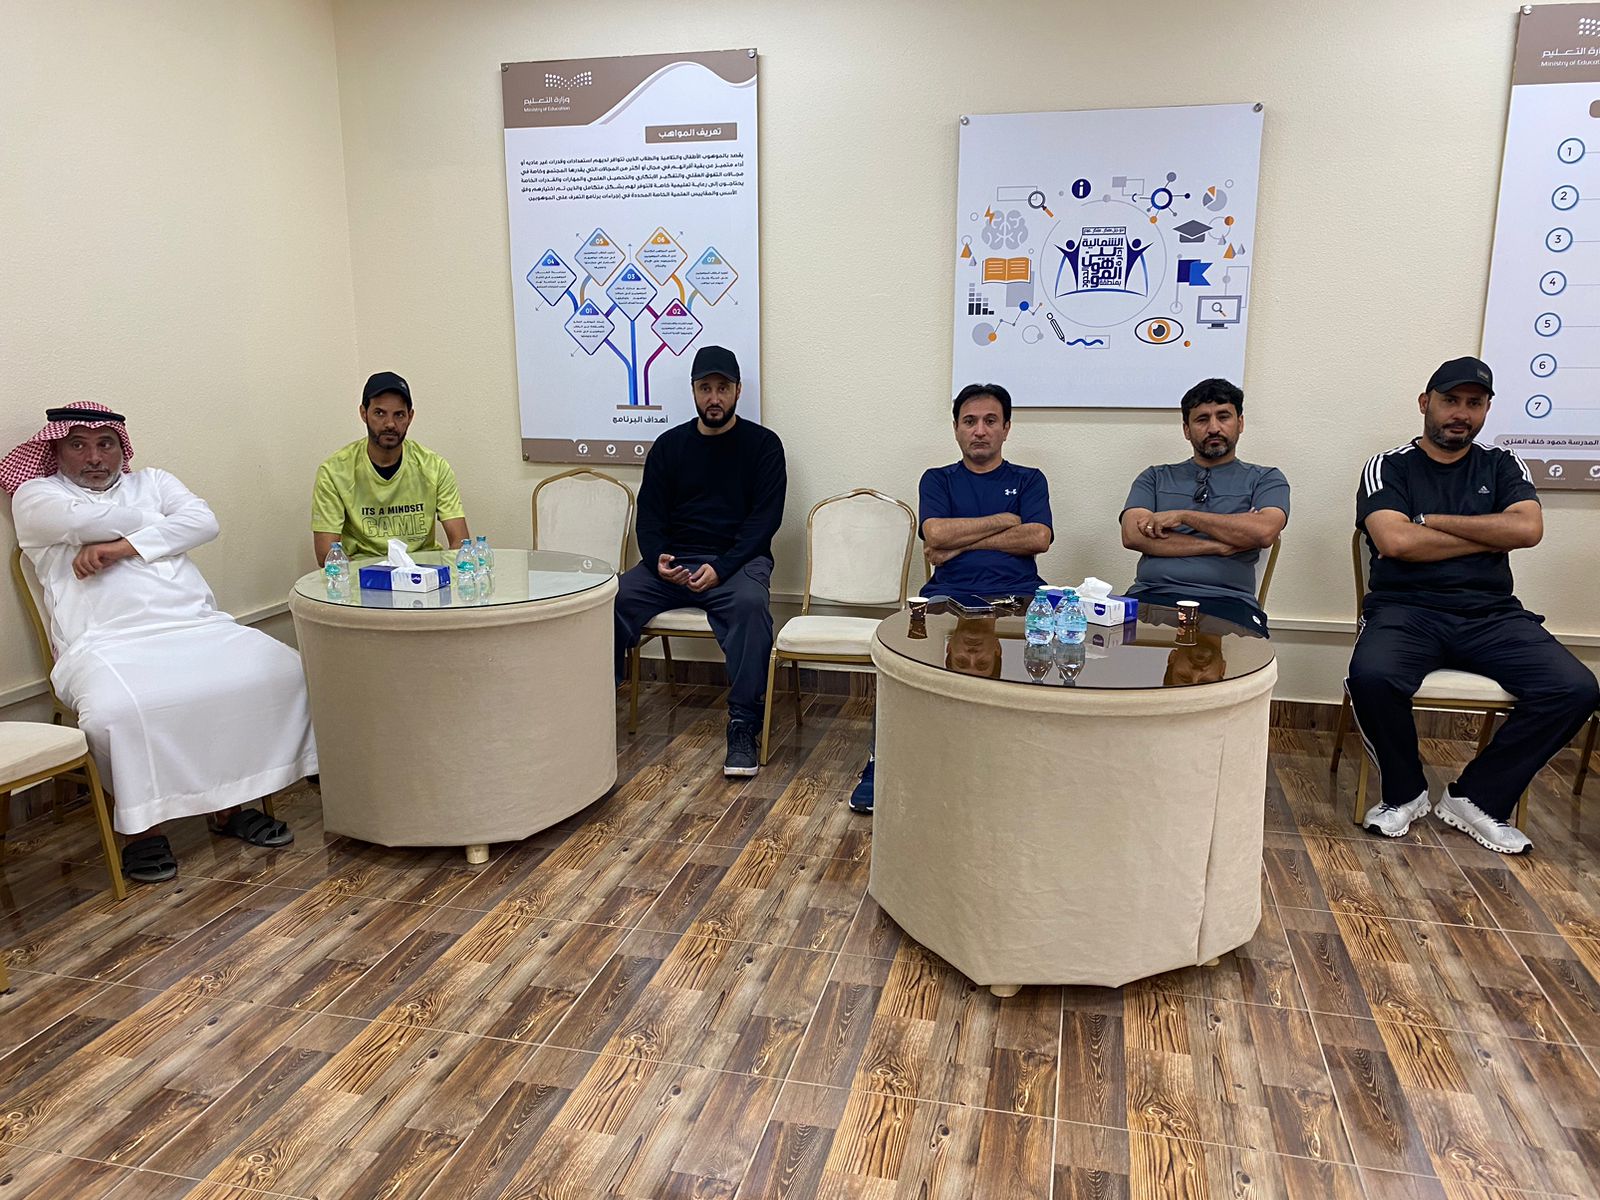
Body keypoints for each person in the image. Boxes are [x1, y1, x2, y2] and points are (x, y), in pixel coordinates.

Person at [3, 405, 315, 883]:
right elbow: (96, 523)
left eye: (105, 444)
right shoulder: (36, 495)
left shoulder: (154, 480)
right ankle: (142, 832)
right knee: (115, 713)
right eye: (78, 444)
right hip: (106, 642)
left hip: (196, 625)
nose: (94, 457)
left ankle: (232, 805)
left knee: (284, 670)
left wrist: (118, 547)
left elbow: (204, 523)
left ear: (121, 448)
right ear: (56, 450)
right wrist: (161, 525)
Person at [1348, 356, 1598, 854]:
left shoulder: (1502, 464)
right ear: (1426, 403)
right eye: (1450, 401)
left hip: (1492, 615)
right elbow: (1395, 541)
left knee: (1575, 689)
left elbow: (1527, 529)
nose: (1461, 413)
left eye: (1474, 403)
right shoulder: (1389, 466)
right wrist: (1487, 534)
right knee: (1371, 677)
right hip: (1405, 610)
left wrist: (1431, 521)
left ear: (1485, 409)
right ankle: (1404, 792)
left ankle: (1477, 798)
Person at [852, 382, 1053, 812]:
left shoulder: (1029, 479)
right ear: (956, 429)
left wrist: (958, 544)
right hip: (946, 597)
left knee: (1042, 666)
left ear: (1006, 428)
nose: (980, 430)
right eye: (970, 421)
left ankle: (1022, 767)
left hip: (1018, 598)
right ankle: (879, 762)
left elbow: (1038, 537)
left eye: (990, 421)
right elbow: (935, 533)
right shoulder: (938, 479)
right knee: (900, 665)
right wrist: (1005, 520)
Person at [613, 345, 786, 778]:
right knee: (609, 598)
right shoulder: (669, 446)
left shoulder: (763, 446)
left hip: (738, 562)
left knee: (750, 607)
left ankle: (743, 723)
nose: (714, 398)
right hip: (674, 563)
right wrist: (657, 559)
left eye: (722, 388)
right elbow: (650, 517)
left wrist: (722, 568)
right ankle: (596, 703)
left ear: (738, 391)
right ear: (693, 391)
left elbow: (764, 522)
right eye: (705, 388)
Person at [1119, 377, 1288, 634]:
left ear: (1240, 423)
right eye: (1202, 419)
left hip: (1228, 603)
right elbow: (1133, 535)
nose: (1213, 428)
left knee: (1236, 659)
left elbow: (1264, 531)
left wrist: (1184, 517)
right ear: (1186, 429)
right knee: (1101, 648)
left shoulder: (1266, 479)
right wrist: (1219, 545)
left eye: (1224, 417)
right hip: (1151, 598)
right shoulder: (1154, 477)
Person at [311, 371, 470, 563]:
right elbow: (327, 555)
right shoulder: (334, 472)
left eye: (399, 415)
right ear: (363, 413)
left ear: (410, 417)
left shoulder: (435, 467)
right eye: (379, 413)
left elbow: (461, 543)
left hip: (423, 573)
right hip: (362, 574)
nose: (390, 424)